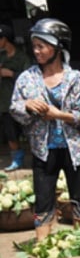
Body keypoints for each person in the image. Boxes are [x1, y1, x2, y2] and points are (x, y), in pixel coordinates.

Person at [9, 18, 80, 240]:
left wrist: (60, 115)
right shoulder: (27, 79)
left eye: (41, 46)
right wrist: (26, 106)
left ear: (57, 47)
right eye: (34, 46)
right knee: (43, 201)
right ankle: (42, 247)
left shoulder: (76, 79)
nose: (36, 51)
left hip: (74, 151)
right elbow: (14, 108)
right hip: (43, 150)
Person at [0, 24, 31, 171]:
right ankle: (16, 160)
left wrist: (11, 74)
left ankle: (37, 156)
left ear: (5, 40)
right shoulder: (1, 57)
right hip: (4, 101)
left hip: (21, 101)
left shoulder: (22, 57)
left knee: (28, 130)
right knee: (10, 132)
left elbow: (30, 78)